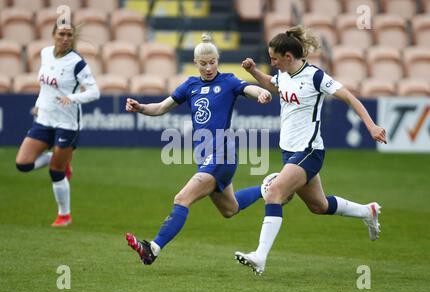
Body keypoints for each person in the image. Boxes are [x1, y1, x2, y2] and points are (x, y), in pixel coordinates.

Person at [234, 25, 387, 275]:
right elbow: (275, 85)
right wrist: (254, 72)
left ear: (288, 57)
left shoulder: (315, 76)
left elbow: (350, 98)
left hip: (308, 151)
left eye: (274, 58)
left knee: (274, 193)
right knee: (319, 206)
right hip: (289, 152)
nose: (271, 62)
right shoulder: (283, 74)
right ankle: (367, 211)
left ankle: (260, 257)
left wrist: (371, 126)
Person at [125, 33, 272, 265]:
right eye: (203, 64)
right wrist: (141, 107)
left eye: (212, 62)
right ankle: (268, 188)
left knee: (182, 198)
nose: (208, 67)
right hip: (206, 156)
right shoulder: (190, 85)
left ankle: (153, 248)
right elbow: (161, 107)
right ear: (196, 64)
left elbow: (248, 89)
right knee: (230, 209)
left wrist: (261, 93)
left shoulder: (228, 81)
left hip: (222, 154)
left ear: (218, 60)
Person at [15, 22, 100, 227]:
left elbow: (94, 92)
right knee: (23, 164)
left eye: (69, 35)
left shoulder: (77, 63)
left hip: (67, 122)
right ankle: (59, 158)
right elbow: (45, 87)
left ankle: (64, 215)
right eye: (61, 34)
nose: (65, 38)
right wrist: (38, 105)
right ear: (53, 35)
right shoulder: (45, 54)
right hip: (44, 119)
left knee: (56, 171)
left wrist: (72, 98)